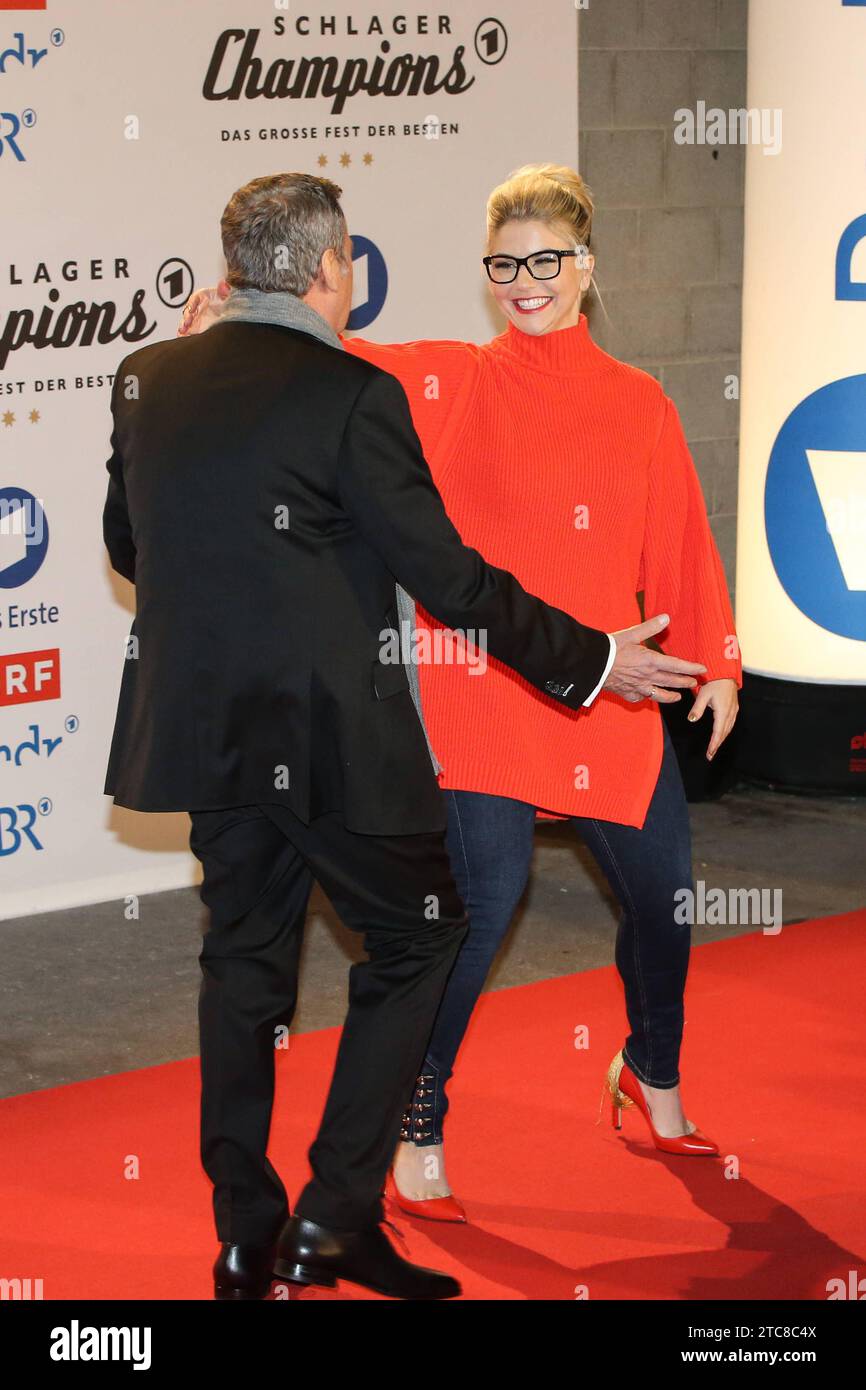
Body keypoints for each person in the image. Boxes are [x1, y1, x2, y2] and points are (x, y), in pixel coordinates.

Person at [105, 171, 700, 1300]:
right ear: (331, 269)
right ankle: (334, 1215)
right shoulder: (345, 394)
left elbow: (134, 547)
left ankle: (244, 1236)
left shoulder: (147, 378)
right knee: (423, 939)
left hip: (210, 740)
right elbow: (450, 578)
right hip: (338, 748)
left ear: (234, 271)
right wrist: (591, 660)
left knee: (241, 972)